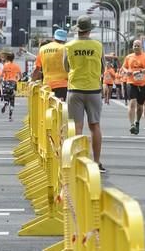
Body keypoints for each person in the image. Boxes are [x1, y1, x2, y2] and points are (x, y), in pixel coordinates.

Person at [63, 15, 106, 172]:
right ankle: (96, 162)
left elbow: (66, 67)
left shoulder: (69, 46)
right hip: (94, 89)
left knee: (77, 127)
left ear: (78, 30)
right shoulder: (98, 46)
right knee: (95, 126)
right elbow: (103, 68)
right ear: (89, 30)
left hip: (75, 89)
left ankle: (78, 162)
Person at [122, 40, 145, 135]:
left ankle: (137, 122)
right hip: (131, 82)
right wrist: (126, 71)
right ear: (132, 47)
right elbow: (123, 67)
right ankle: (132, 125)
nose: (136, 47)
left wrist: (140, 71)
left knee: (140, 106)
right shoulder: (129, 57)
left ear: (141, 47)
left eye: (138, 46)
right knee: (132, 103)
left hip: (143, 84)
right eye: (135, 46)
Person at [32, 28, 69, 101]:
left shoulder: (43, 49)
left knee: (46, 108)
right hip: (62, 84)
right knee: (58, 109)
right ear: (64, 39)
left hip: (47, 85)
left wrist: (32, 81)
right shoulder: (65, 48)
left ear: (54, 37)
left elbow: (37, 68)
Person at [0, 53, 22, 121]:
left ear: (7, 58)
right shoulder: (16, 66)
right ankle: (10, 116)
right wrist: (17, 80)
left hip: (6, 82)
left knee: (6, 97)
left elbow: (1, 75)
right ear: (13, 58)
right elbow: (21, 76)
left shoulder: (5, 66)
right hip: (13, 83)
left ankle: (6, 103)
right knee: (12, 100)